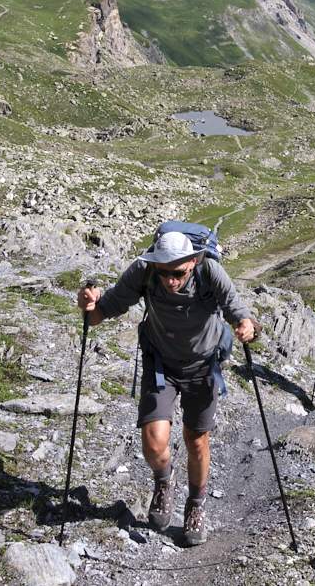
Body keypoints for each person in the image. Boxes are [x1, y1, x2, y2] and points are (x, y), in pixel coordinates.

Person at [78, 231, 257, 546]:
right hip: (161, 365)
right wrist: (88, 305)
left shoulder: (209, 271)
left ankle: (196, 504)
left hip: (203, 367)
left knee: (196, 440)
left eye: (178, 273)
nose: (170, 280)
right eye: (164, 272)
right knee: (153, 442)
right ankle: (164, 482)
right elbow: (99, 315)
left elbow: (238, 311)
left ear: (193, 262)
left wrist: (247, 326)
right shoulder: (144, 271)